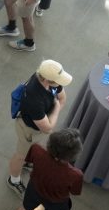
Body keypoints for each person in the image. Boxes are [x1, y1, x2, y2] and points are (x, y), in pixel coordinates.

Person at [7, 59, 72, 195]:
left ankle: (27, 161)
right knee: (20, 155)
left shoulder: (49, 79)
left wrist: (56, 106)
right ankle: (13, 180)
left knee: (32, 149)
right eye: (58, 81)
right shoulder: (34, 98)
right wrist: (56, 108)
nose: (60, 84)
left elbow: (62, 98)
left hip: (39, 124)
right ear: (47, 81)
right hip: (28, 129)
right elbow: (47, 128)